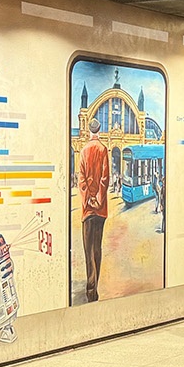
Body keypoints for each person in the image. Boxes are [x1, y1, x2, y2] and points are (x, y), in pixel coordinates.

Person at [78, 118, 109, 303]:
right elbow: (105, 178)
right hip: (101, 209)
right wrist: (98, 198)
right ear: (99, 130)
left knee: (88, 250)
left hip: (88, 210)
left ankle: (91, 291)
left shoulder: (84, 151)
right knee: (97, 248)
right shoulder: (103, 150)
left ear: (90, 130)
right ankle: (94, 286)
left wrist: (89, 198)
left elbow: (81, 179)